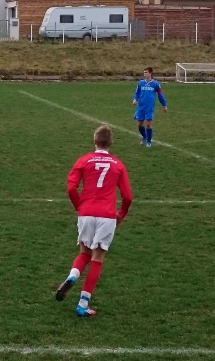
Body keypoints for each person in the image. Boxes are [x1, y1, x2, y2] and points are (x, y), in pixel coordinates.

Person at [55, 125, 133, 317]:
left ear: (94, 142)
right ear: (111, 143)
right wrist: (121, 214)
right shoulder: (118, 164)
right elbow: (128, 196)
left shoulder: (84, 160)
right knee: (97, 259)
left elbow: (71, 188)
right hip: (107, 215)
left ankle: (72, 276)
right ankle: (83, 304)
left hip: (86, 212)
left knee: (84, 253)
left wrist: (79, 207)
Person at [132, 67, 167, 147]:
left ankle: (148, 141)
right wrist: (135, 99)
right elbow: (137, 93)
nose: (144, 74)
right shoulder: (140, 83)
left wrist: (164, 105)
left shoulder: (155, 84)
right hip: (141, 107)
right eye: (144, 72)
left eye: (146, 72)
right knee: (139, 125)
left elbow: (160, 95)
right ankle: (144, 136)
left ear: (150, 73)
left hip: (149, 107)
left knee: (148, 124)